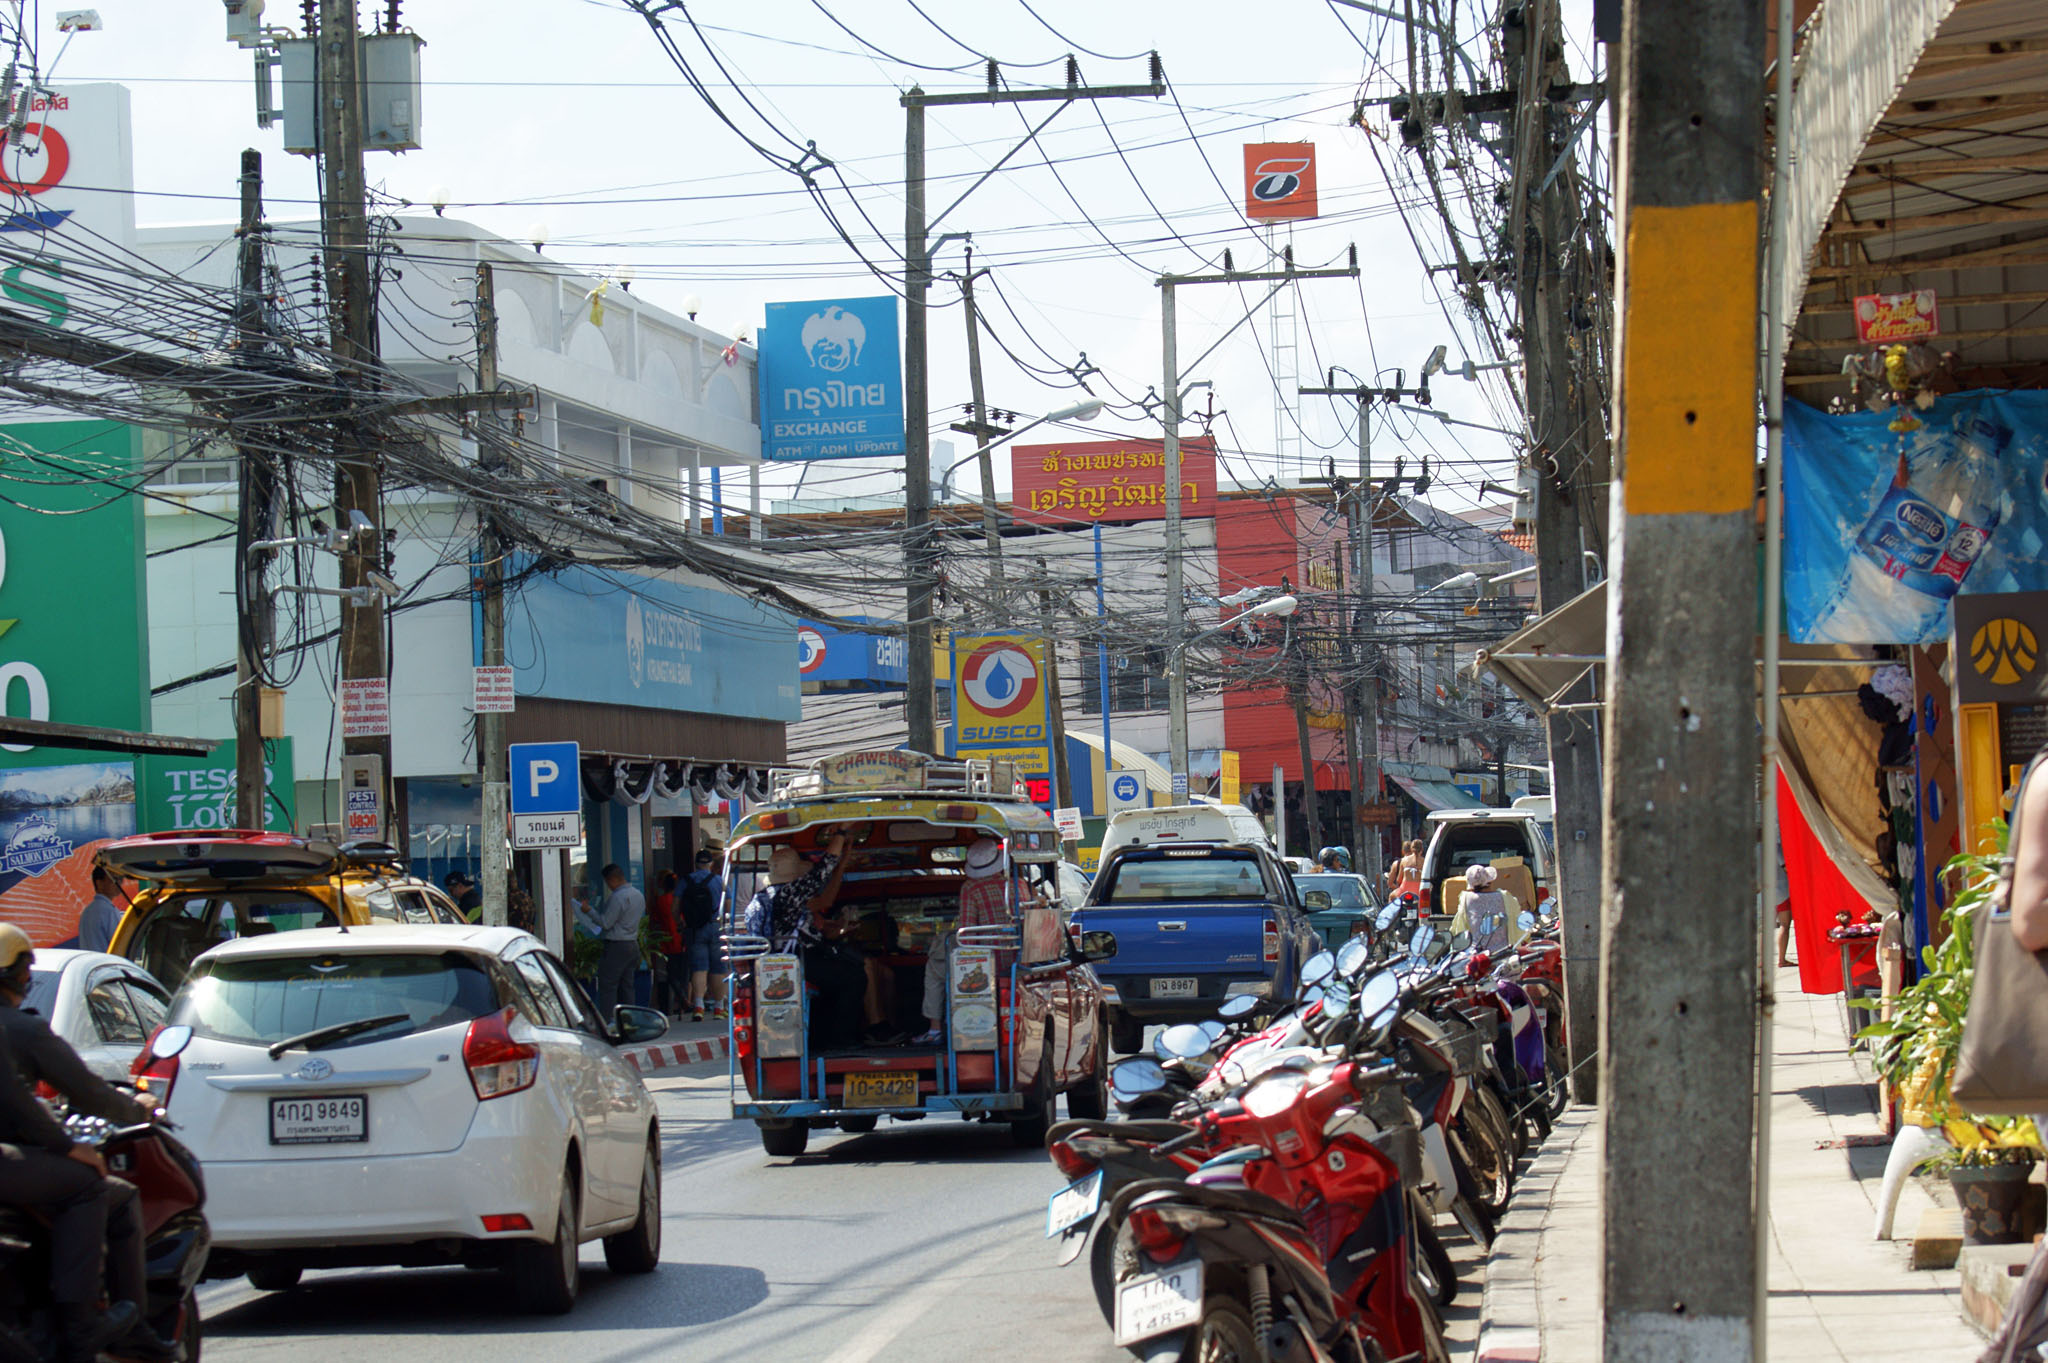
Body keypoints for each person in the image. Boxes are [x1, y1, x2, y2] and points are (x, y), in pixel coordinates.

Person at [0, 923, 163, 1362]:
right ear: (18, 976)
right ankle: (84, 1320)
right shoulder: (20, 1029)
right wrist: (71, 1144)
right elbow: (46, 1097)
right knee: (92, 1185)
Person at [741, 832, 897, 1047]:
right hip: (794, 960)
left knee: (847, 972)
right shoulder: (789, 893)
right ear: (795, 873)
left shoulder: (758, 901)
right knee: (855, 977)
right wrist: (841, 834)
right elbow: (821, 873)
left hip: (771, 964)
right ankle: (843, 1039)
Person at [917, 839, 1031, 1045]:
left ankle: (934, 1029)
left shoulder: (971, 888)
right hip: (1020, 959)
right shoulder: (1020, 884)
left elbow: (967, 935)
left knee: (934, 967)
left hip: (986, 964)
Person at [592, 864, 646, 1016]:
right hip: (632, 943)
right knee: (627, 986)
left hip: (616, 945)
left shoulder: (617, 897)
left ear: (612, 879)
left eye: (607, 882)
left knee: (608, 985)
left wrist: (589, 912)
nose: (608, 886)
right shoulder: (638, 895)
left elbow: (606, 922)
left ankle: (608, 1020)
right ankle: (629, 1019)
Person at [681, 849, 726, 1021]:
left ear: (695, 863)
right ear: (711, 864)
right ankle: (718, 1008)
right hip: (715, 926)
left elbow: (676, 905)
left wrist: (681, 922)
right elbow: (727, 904)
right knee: (718, 968)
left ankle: (698, 1006)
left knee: (699, 968)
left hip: (695, 929)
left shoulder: (685, 881)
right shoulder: (718, 881)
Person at [647, 870, 687, 1018]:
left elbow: (654, 920)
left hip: (664, 943)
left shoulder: (660, 901)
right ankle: (682, 1000)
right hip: (680, 942)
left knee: (665, 977)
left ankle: (666, 1007)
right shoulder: (679, 900)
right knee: (678, 975)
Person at [1458, 864, 1510, 954]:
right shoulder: (1503, 897)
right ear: (1490, 882)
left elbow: (1459, 926)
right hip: (1502, 952)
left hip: (1475, 952)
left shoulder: (1466, 898)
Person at [77, 866, 123, 953]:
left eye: (120, 879)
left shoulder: (87, 911)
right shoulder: (108, 911)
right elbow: (120, 945)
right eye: (114, 879)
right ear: (99, 883)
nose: (119, 883)